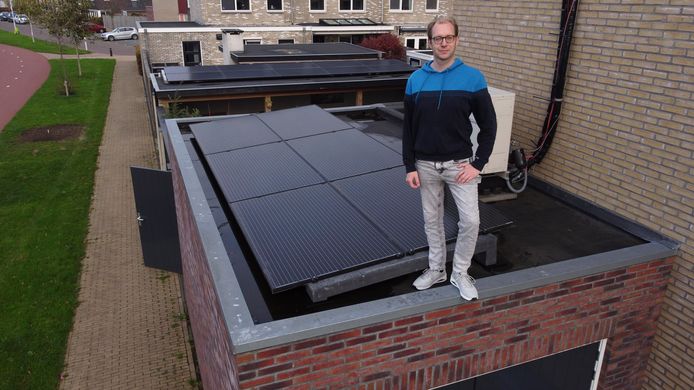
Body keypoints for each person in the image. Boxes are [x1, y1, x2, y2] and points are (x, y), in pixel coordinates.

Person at [402, 15, 497, 300]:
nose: (443, 43)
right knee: (432, 221)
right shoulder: (416, 80)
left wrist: (478, 163)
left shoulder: (472, 78)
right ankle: (437, 270)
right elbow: (408, 128)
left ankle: (459, 272)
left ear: (456, 39)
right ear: (430, 42)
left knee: (470, 222)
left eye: (449, 37)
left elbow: (489, 126)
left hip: (459, 165)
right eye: (438, 38)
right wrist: (410, 166)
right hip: (425, 165)